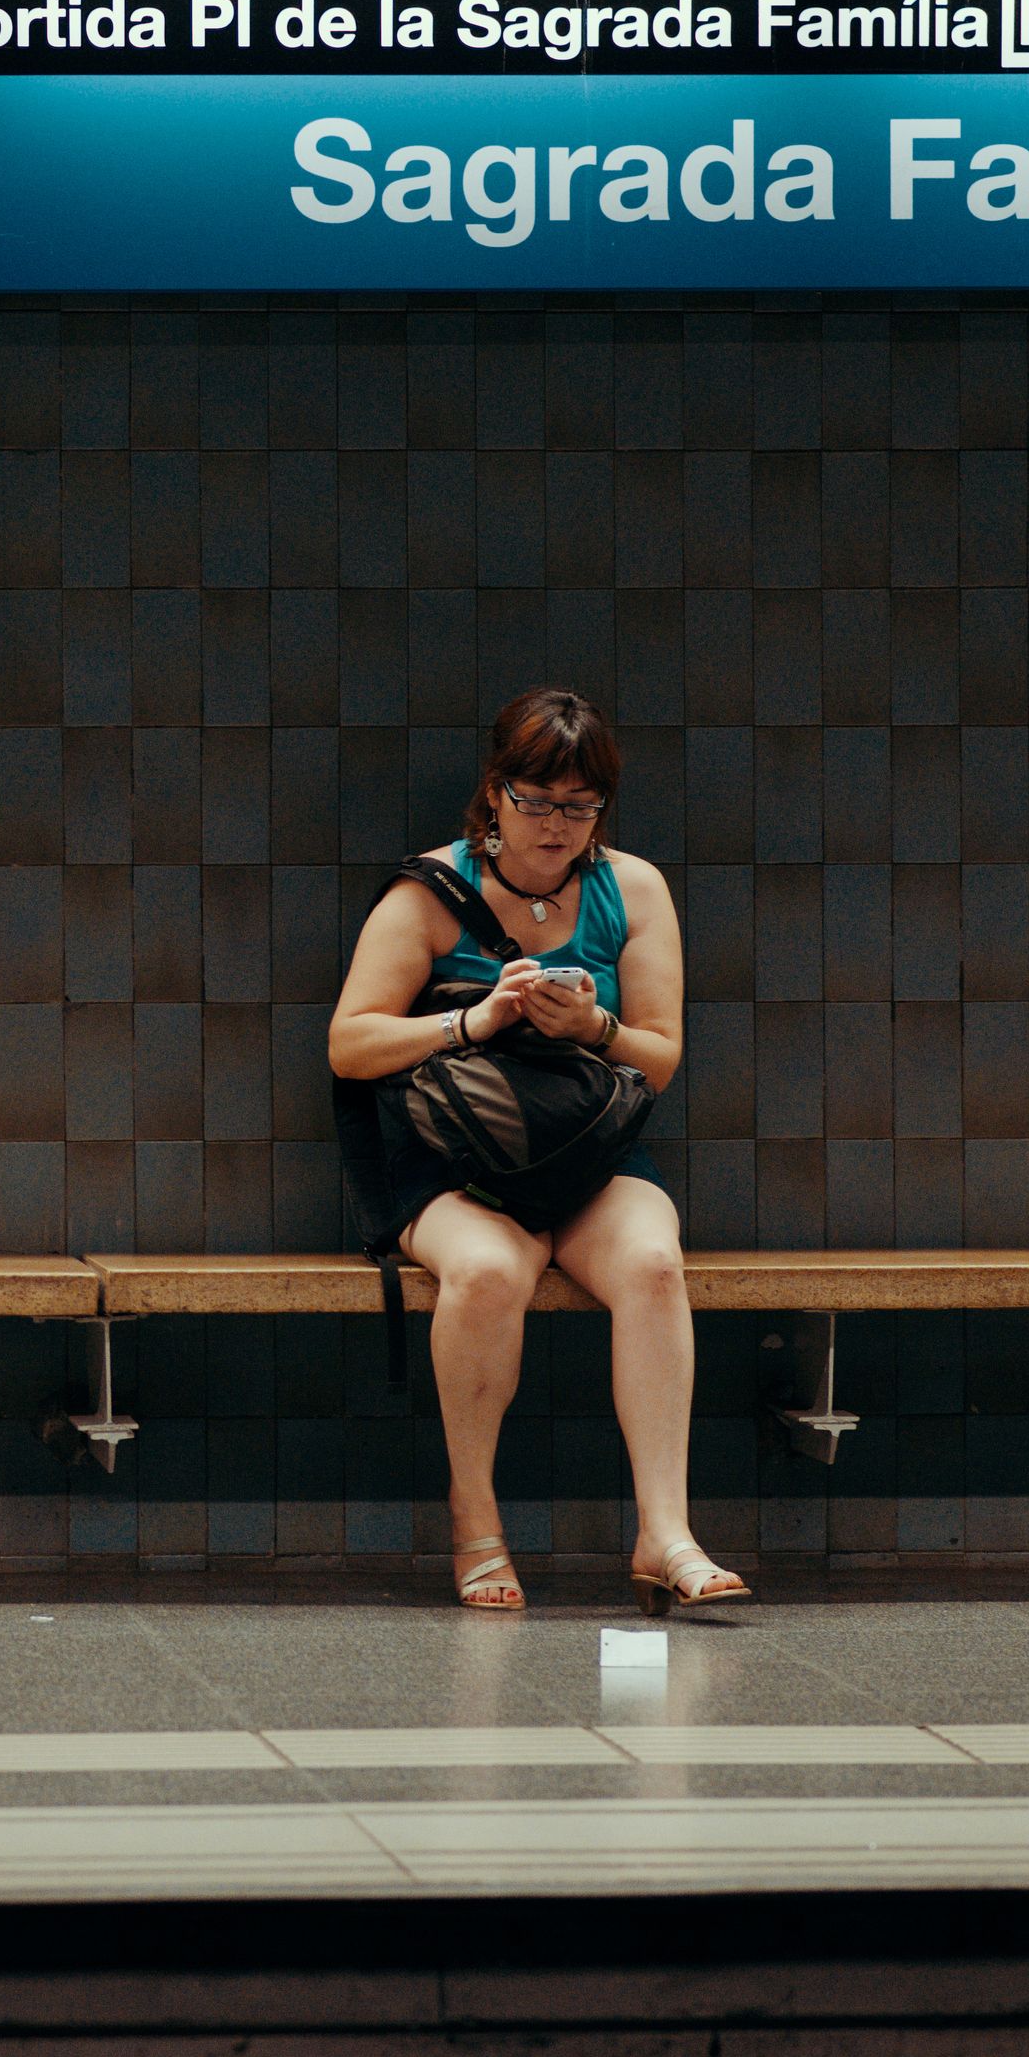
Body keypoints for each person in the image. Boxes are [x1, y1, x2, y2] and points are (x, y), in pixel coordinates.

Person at [326, 687, 746, 1616]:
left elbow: (661, 1055)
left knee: (650, 1261)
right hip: (457, 1171)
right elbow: (349, 1042)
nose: (555, 827)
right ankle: (475, 1520)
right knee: (484, 1275)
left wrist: (593, 1025)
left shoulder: (630, 888)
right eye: (535, 802)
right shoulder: (428, 892)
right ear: (493, 792)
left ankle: (663, 1533)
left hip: (585, 1158)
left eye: (579, 807)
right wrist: (472, 1020)